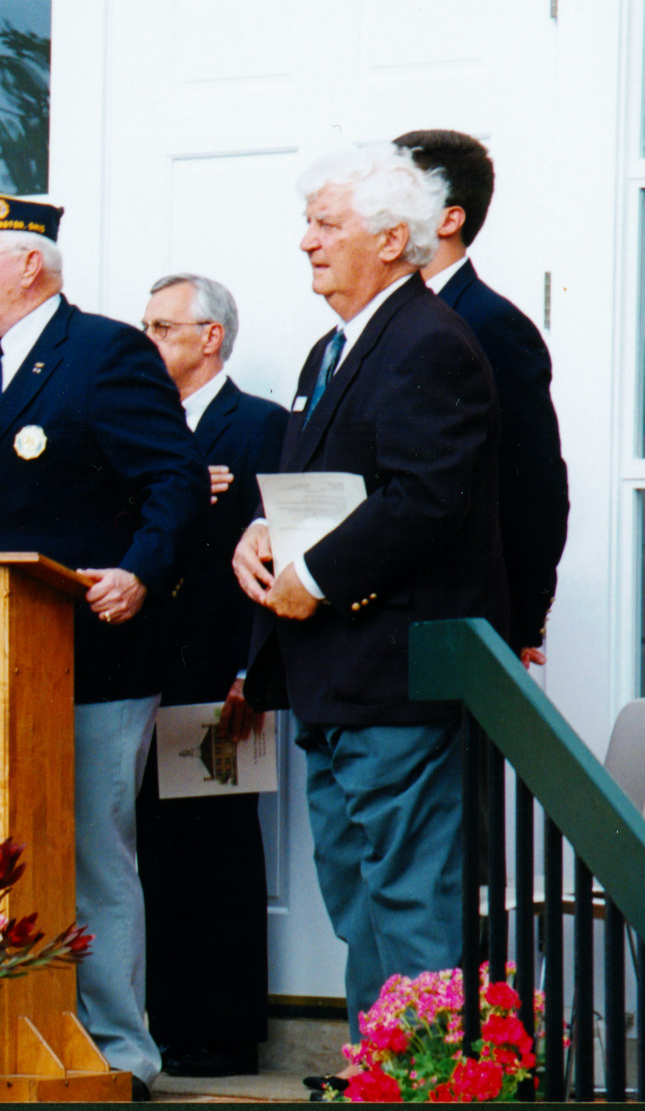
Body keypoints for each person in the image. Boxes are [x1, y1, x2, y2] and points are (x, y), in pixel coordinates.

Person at [0, 191, 208, 1099]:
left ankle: (120, 1053)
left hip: (89, 656)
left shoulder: (103, 353)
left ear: (29, 265)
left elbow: (174, 478)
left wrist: (139, 572)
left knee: (91, 855)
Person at [231, 144, 506, 1047]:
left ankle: (428, 1084)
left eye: (325, 224)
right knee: (359, 904)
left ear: (392, 240)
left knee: (411, 909)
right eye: (307, 223)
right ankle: (379, 1073)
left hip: (395, 682)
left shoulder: (429, 343)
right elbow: (330, 486)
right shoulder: (334, 347)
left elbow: (423, 497)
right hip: (334, 680)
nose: (305, 241)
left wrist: (313, 577)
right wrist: (263, 533)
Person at [133, 273, 286, 1079]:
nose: (147, 341)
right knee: (154, 852)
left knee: (219, 851)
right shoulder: (141, 429)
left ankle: (224, 1035)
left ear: (209, 337)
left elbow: (279, 554)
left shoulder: (259, 425)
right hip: (145, 670)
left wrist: (252, 671)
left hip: (223, 672)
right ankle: (167, 1027)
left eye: (162, 328)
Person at [394, 129, 569, 662]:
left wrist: (519, 623)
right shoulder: (379, 322)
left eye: (398, 195)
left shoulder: (491, 325)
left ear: (450, 220)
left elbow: (534, 484)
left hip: (461, 624)